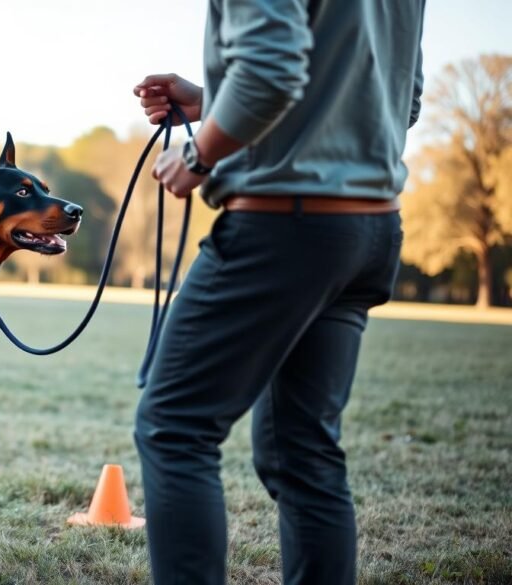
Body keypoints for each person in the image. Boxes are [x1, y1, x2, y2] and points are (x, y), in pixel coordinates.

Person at [132, 1, 425, 584]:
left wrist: (197, 152)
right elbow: (397, 95)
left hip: (283, 228)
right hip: (368, 229)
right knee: (303, 454)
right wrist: (214, 100)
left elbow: (270, 70)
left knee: (174, 427)